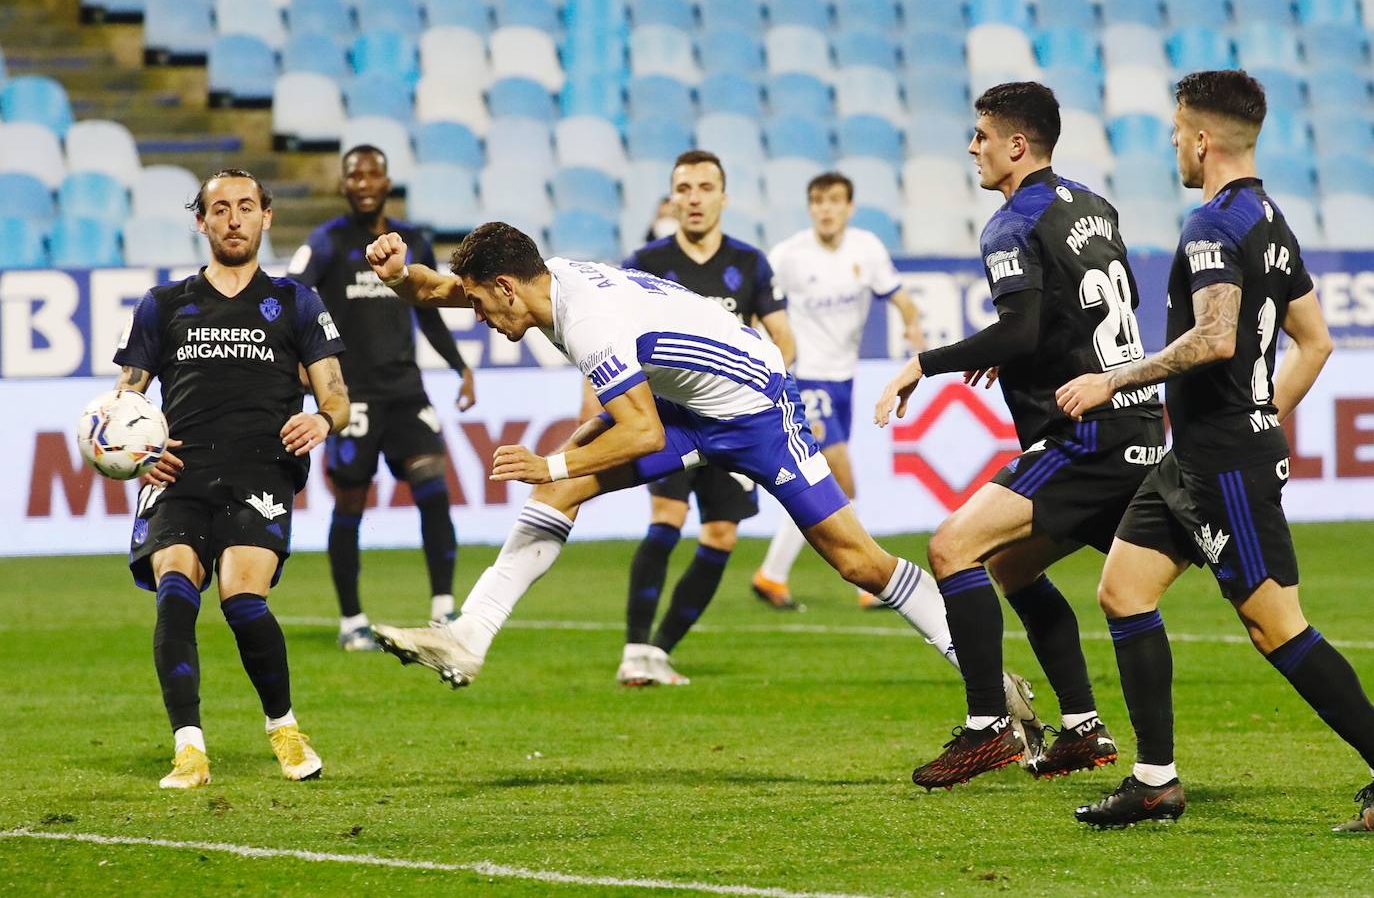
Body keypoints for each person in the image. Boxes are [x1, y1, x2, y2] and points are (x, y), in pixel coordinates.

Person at [361, 223, 1037, 741]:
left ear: (507, 286)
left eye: (481, 303)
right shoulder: (545, 281)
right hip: (693, 408)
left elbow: (643, 433)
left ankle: (992, 683)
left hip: (758, 409)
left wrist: (555, 462)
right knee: (558, 493)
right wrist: (399, 275)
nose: (477, 315)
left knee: (857, 562)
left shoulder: (591, 322)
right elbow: (437, 290)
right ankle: (468, 638)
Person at [1055, 71, 1374, 831]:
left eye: (1175, 132)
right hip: (1196, 455)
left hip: (1222, 461)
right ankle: (1155, 781)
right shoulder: (1269, 218)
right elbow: (1317, 341)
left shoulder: (1211, 227)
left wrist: (1114, 381)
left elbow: (1215, 337)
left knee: (1277, 628)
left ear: (1202, 139)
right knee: (1123, 590)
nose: (1173, 144)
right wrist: (1264, 415)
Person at [876, 82, 1166, 789]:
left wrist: (923, 363)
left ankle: (986, 729)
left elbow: (1024, 326)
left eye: (980, 136)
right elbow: (1068, 316)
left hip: (1084, 436)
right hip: (1138, 424)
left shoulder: (1011, 222)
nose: (971, 148)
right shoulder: (1094, 208)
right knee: (1011, 568)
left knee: (951, 547)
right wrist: (1017, 350)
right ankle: (1081, 728)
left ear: (1016, 144)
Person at [114, 169, 349, 789]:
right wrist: (139, 455)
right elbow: (125, 404)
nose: (235, 218)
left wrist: (323, 421)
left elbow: (337, 396)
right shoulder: (162, 304)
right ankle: (189, 749)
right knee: (174, 592)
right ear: (202, 222)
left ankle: (284, 727)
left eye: (247, 207)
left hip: (259, 468)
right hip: (179, 466)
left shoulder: (296, 300)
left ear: (266, 217)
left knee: (243, 600)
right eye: (221, 209)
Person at [614, 149, 794, 686]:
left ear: (723, 197)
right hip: (667, 418)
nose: (693, 198)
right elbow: (612, 339)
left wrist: (761, 377)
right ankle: (633, 649)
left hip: (730, 422)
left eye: (704, 187)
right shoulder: (645, 263)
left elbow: (784, 337)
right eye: (684, 188)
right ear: (672, 198)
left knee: (720, 535)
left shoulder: (750, 263)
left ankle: (659, 652)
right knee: (665, 519)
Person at [287, 144, 475, 651]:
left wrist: (459, 366)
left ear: (388, 183)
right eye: (355, 176)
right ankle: (352, 619)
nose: (365, 183)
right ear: (344, 186)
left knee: (433, 488)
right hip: (354, 397)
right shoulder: (327, 242)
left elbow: (430, 306)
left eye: (374, 174)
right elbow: (290, 298)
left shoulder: (411, 240)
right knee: (351, 501)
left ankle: (443, 609)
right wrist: (307, 366)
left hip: (406, 390)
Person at [751, 171, 925, 611]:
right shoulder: (789, 255)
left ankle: (772, 574)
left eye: (833, 201)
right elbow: (759, 307)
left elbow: (899, 297)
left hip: (843, 379)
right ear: (810, 208)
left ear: (849, 207)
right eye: (817, 201)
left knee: (822, 481)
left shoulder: (866, 249)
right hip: (805, 376)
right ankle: (870, 581)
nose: (825, 209)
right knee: (840, 476)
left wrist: (912, 325)